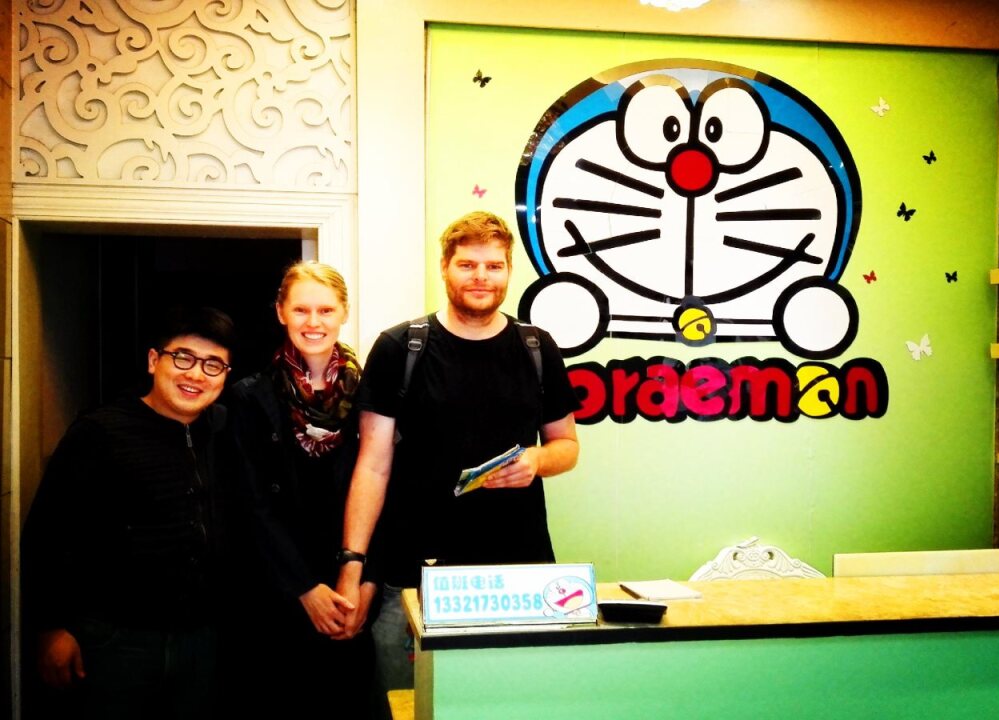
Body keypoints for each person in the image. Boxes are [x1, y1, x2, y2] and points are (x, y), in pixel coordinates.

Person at [337, 210, 581, 713]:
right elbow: (372, 466)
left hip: (517, 573)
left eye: (494, 266)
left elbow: (567, 446)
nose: (481, 277)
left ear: (508, 270)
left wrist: (537, 460)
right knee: (409, 706)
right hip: (415, 572)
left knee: (514, 705)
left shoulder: (537, 348)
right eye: (467, 265)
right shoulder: (401, 347)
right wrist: (352, 562)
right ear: (445, 268)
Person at [20, 306, 236, 720]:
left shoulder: (223, 431)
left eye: (213, 365)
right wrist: (50, 628)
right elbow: (48, 533)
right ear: (154, 360)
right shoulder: (100, 432)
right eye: (183, 358)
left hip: (201, 639)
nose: (196, 374)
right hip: (115, 639)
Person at [221, 261, 375, 716]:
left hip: (351, 583)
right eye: (301, 310)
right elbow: (251, 503)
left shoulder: (372, 394)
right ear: (280, 312)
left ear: (344, 312)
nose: (314, 322)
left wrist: (367, 582)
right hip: (278, 590)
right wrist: (304, 588)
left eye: (325, 310)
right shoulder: (249, 396)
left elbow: (386, 491)